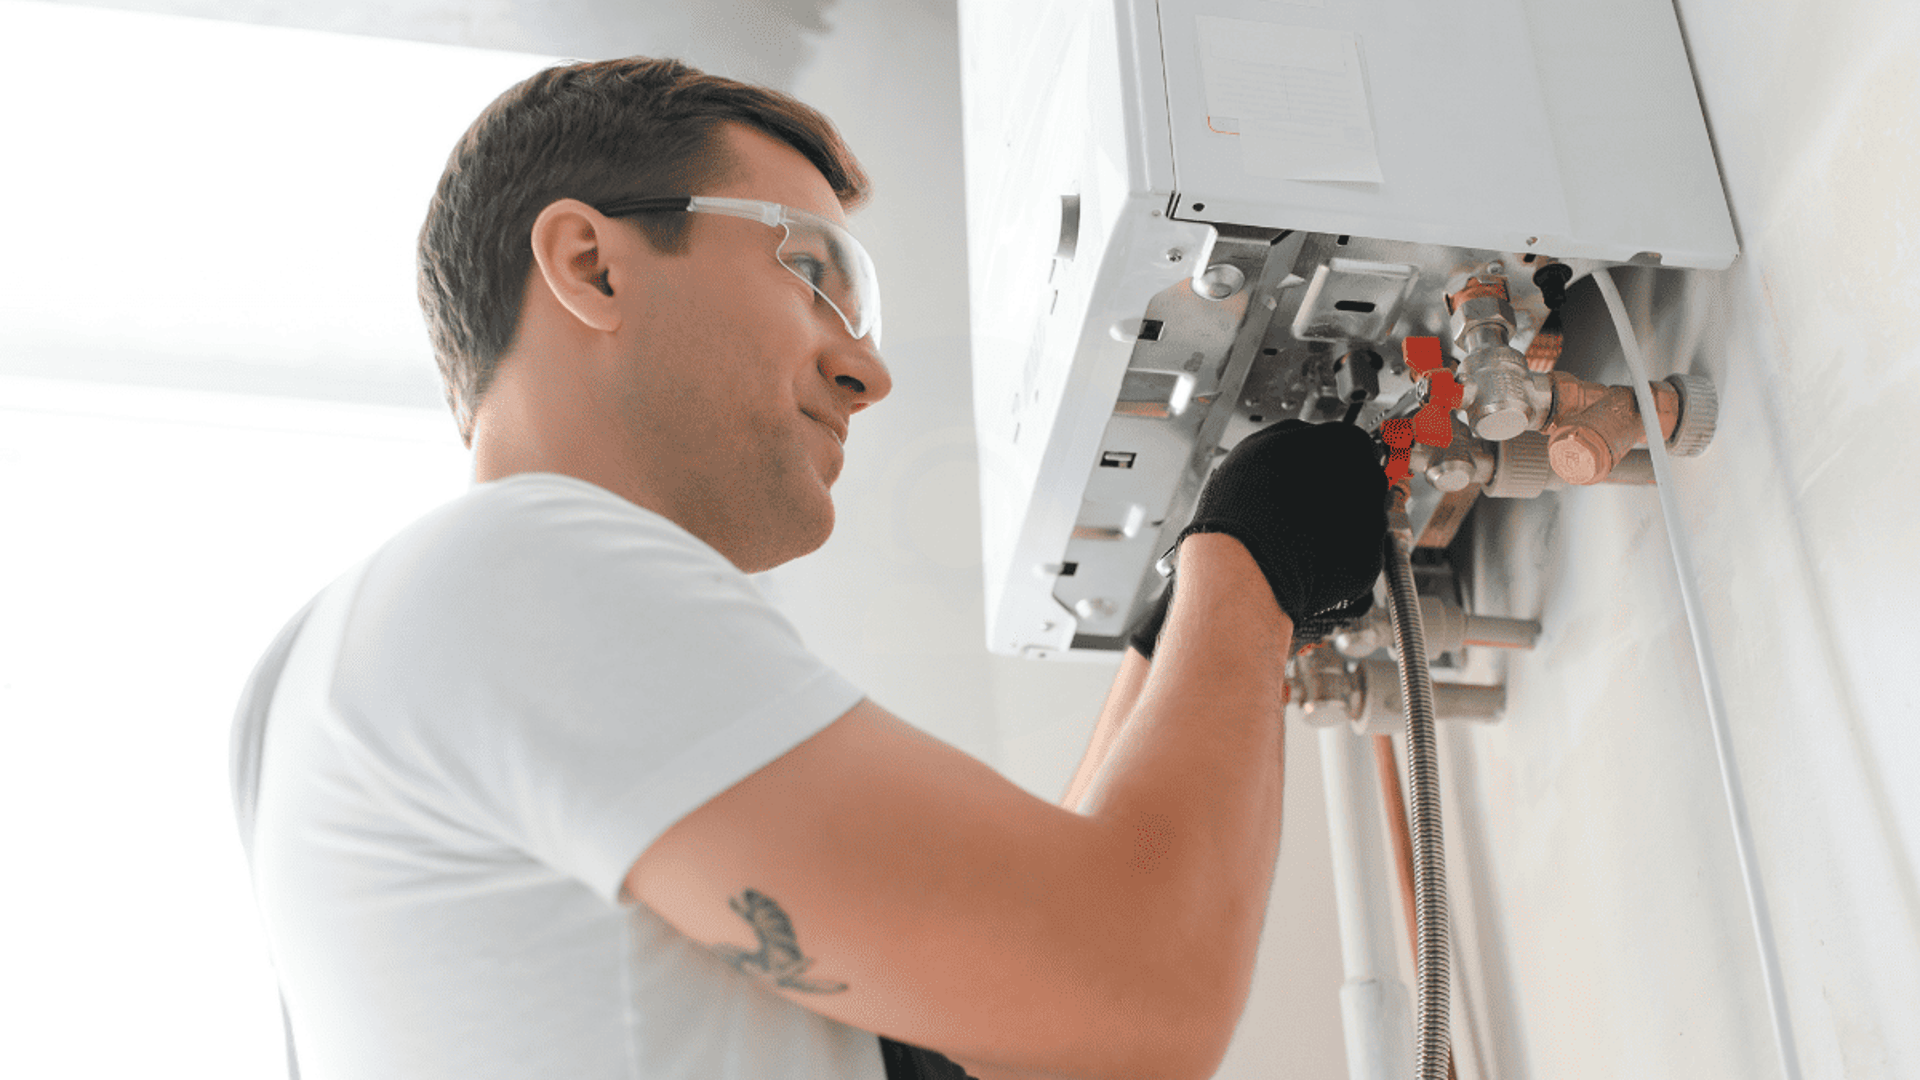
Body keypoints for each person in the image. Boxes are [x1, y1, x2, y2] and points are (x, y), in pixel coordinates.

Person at [240, 56, 1385, 1080]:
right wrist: (1250, 564)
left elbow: (1055, 1033)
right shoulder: (519, 566)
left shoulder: (360, 669)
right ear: (591, 266)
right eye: (819, 274)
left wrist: (1184, 623)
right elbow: (1140, 996)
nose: (868, 370)